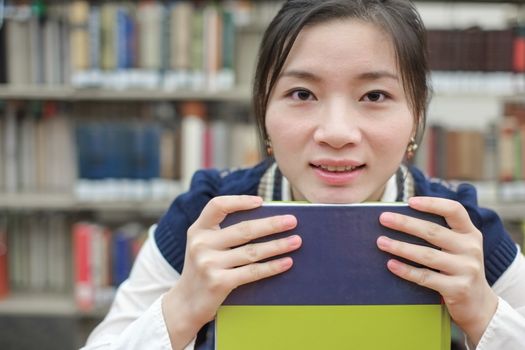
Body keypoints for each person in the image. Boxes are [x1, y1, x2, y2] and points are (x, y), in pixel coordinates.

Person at [83, 0, 525, 349]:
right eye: (301, 93)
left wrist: (485, 315)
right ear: (264, 112)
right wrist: (181, 310)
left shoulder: (460, 228)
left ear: (416, 117)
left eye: (374, 94)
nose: (336, 133)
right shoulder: (207, 216)